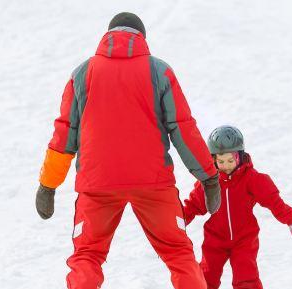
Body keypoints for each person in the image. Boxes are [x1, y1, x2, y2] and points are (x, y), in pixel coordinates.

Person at [35, 12, 221, 289]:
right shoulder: (160, 71)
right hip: (153, 182)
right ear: (142, 38)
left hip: (98, 184)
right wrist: (209, 177)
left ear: (108, 35)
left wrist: (48, 185)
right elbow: (183, 128)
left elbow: (65, 134)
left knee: (87, 254)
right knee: (179, 252)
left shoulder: (82, 73)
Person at [183, 125, 292, 289]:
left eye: (230, 161)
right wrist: (176, 225)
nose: (226, 165)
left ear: (239, 156)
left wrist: (291, 219)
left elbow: (273, 200)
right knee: (206, 276)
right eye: (221, 161)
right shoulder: (209, 183)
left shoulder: (251, 179)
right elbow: (193, 205)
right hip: (215, 238)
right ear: (213, 160)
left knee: (246, 278)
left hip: (244, 238)